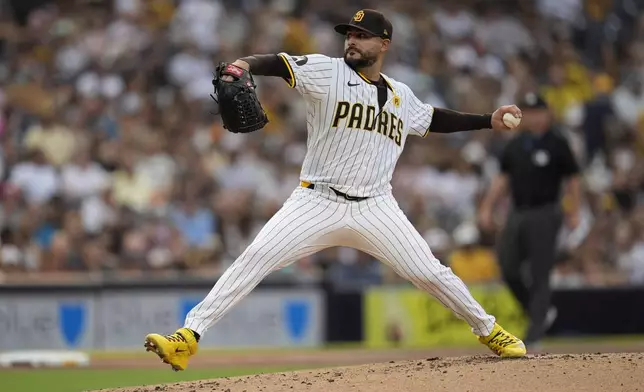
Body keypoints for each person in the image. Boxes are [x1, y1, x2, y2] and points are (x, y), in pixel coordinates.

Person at [145, 9, 527, 371]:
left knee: (431, 273)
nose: (352, 41)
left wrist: (487, 121)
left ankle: (488, 330)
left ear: (385, 44)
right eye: (350, 35)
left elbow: (434, 119)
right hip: (316, 200)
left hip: (376, 207)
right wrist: (244, 63)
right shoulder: (328, 71)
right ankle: (187, 336)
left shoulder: (401, 95)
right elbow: (280, 62)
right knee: (255, 256)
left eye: (362, 36)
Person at [478, 92, 581, 349]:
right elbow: (502, 178)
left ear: (547, 114)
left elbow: (573, 178)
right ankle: (538, 312)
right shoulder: (515, 144)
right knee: (508, 265)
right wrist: (487, 207)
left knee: (540, 271)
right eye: (529, 112)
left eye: (537, 112)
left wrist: (575, 210)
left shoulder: (558, 142)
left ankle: (535, 333)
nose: (533, 117)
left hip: (546, 211)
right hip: (518, 211)